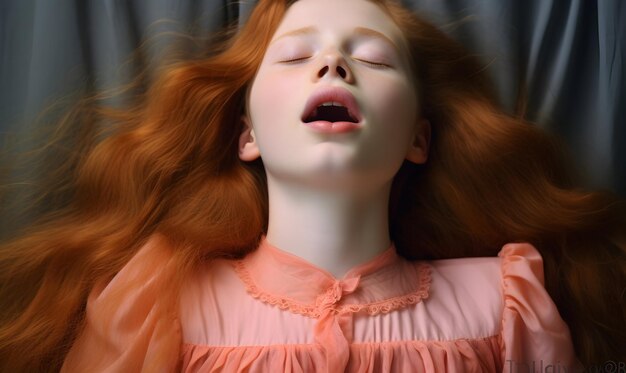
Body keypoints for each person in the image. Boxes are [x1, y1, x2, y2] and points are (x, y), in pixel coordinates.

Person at [1, 0, 624, 371]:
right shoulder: (157, 302)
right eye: (297, 55)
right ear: (246, 134)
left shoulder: (506, 300)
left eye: (374, 58)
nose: (334, 64)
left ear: (419, 140)